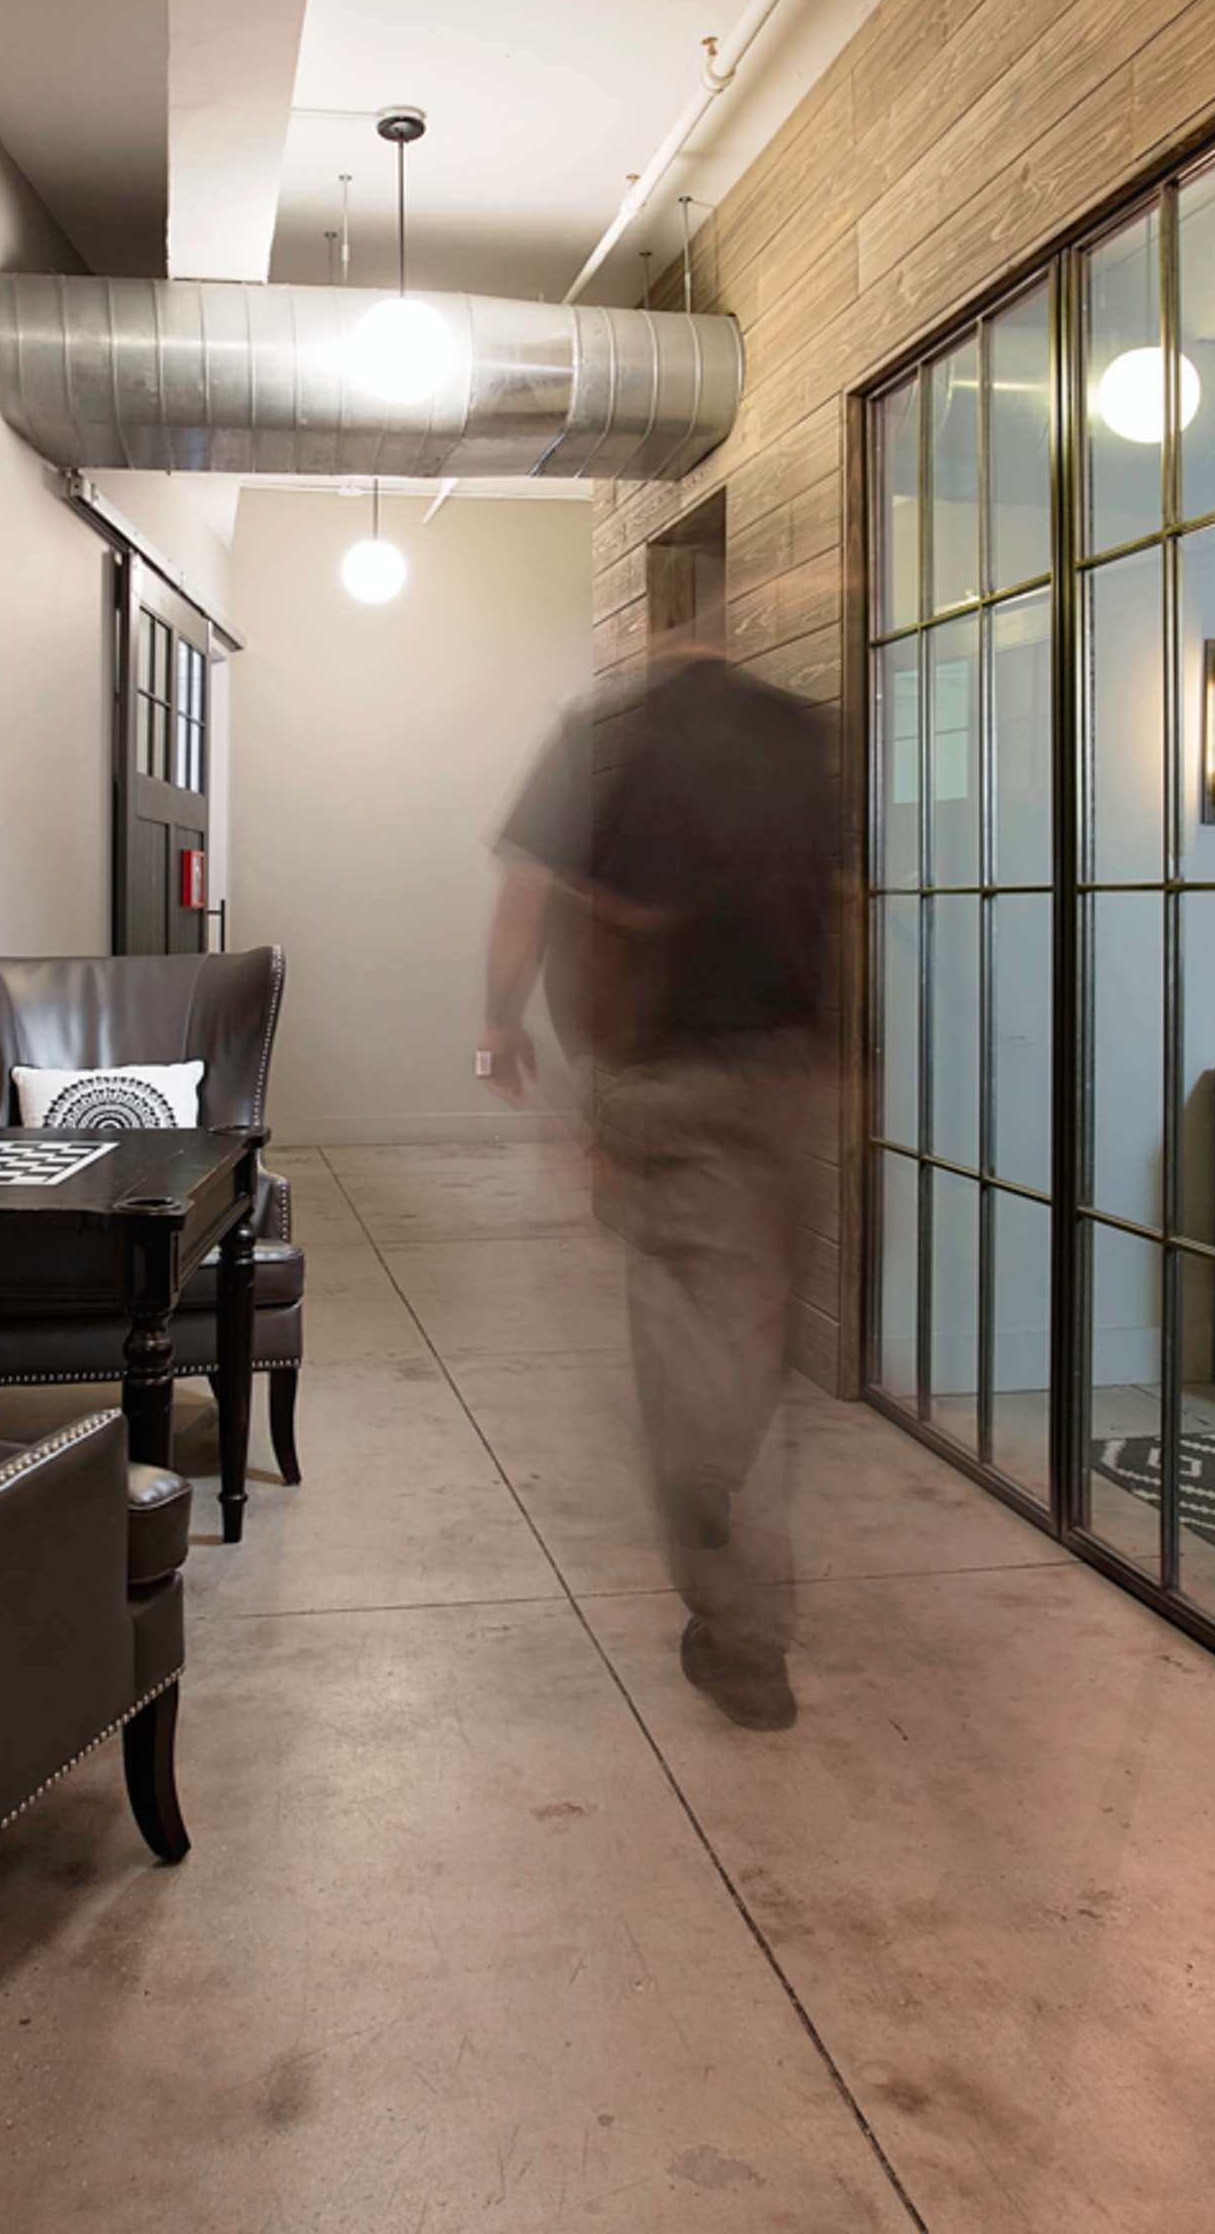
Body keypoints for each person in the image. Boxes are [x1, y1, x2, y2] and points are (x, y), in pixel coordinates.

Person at [482, 541, 839, 1729]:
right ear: (737, 619)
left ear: (649, 622)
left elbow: (528, 895)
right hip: (790, 1077)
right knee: (760, 1333)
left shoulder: (604, 737)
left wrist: (500, 1024)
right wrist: (848, 1061)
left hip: (665, 1077)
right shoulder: (802, 733)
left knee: (692, 1330)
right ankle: (723, 1465)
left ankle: (741, 1628)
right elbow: (841, 906)